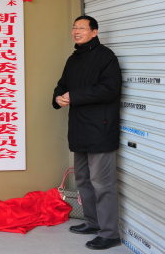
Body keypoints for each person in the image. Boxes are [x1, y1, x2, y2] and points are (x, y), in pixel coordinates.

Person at [53, 15, 122, 250]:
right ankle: (92, 222)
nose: (76, 31)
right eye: (74, 27)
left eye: (81, 28)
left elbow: (110, 89)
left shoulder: (106, 57)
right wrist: (58, 96)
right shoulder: (74, 59)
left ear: (94, 32)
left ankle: (110, 232)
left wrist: (75, 96)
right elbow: (63, 84)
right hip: (79, 129)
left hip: (100, 130)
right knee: (83, 179)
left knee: (102, 184)